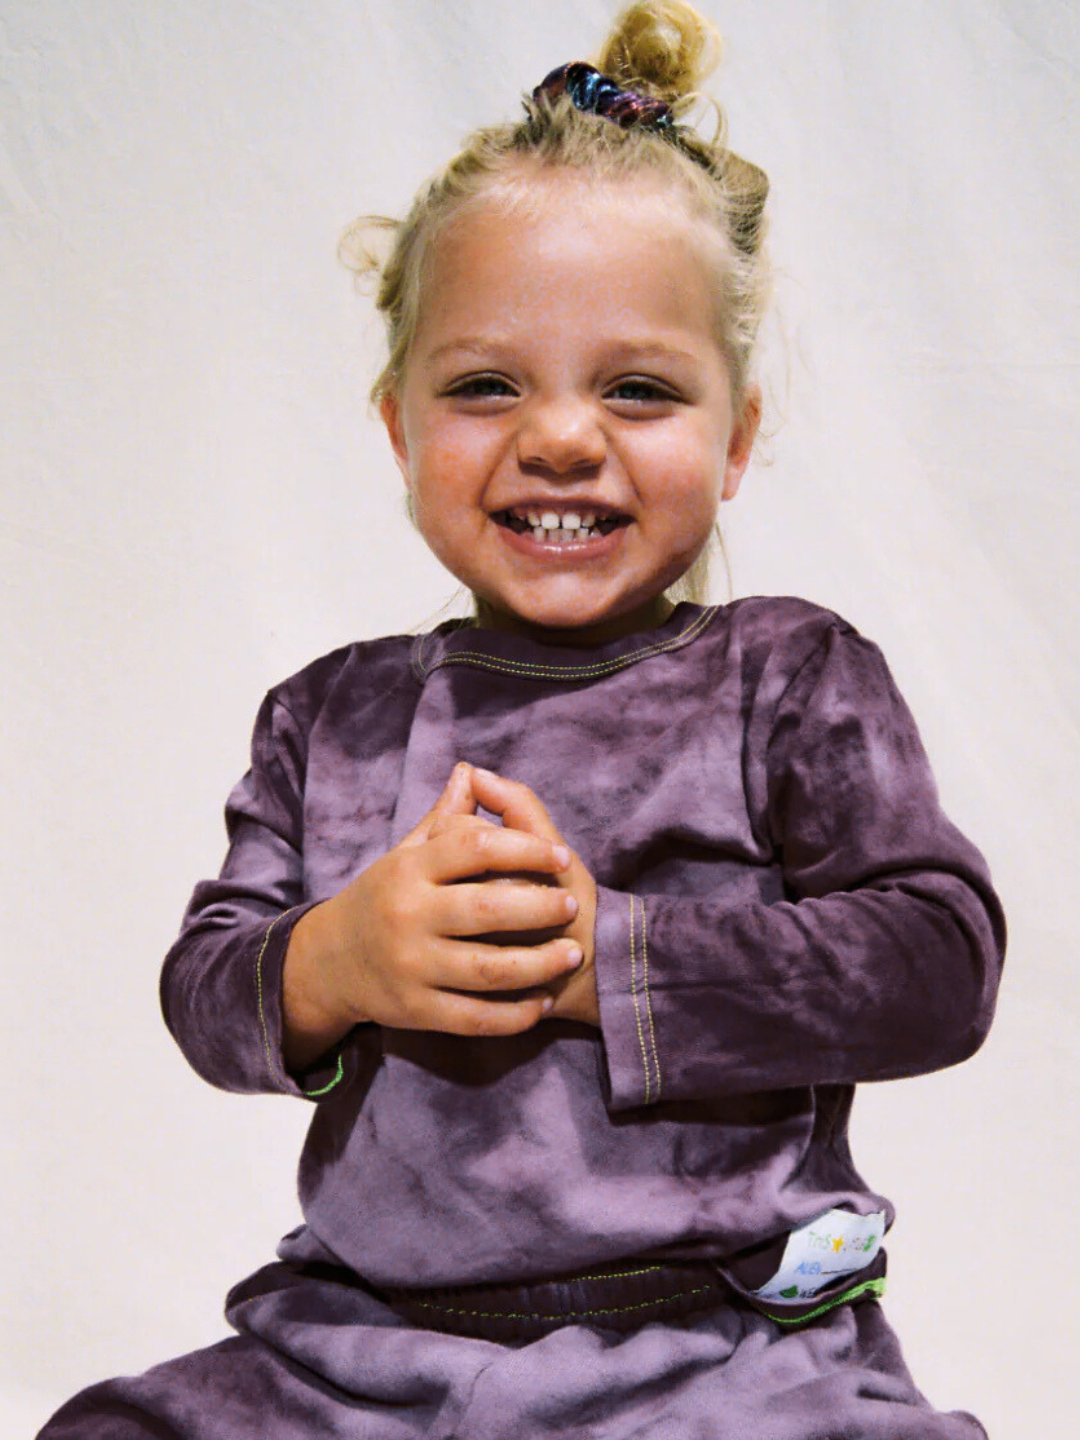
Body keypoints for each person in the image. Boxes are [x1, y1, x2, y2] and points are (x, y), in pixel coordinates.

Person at [38, 3, 1006, 1436]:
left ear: (737, 436)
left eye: (639, 388)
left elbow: (937, 961)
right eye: (486, 386)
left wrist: (597, 959)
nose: (560, 435)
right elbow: (207, 987)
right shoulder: (335, 717)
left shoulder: (784, 680)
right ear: (400, 429)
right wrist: (336, 957)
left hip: (717, 1347)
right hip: (359, 1347)